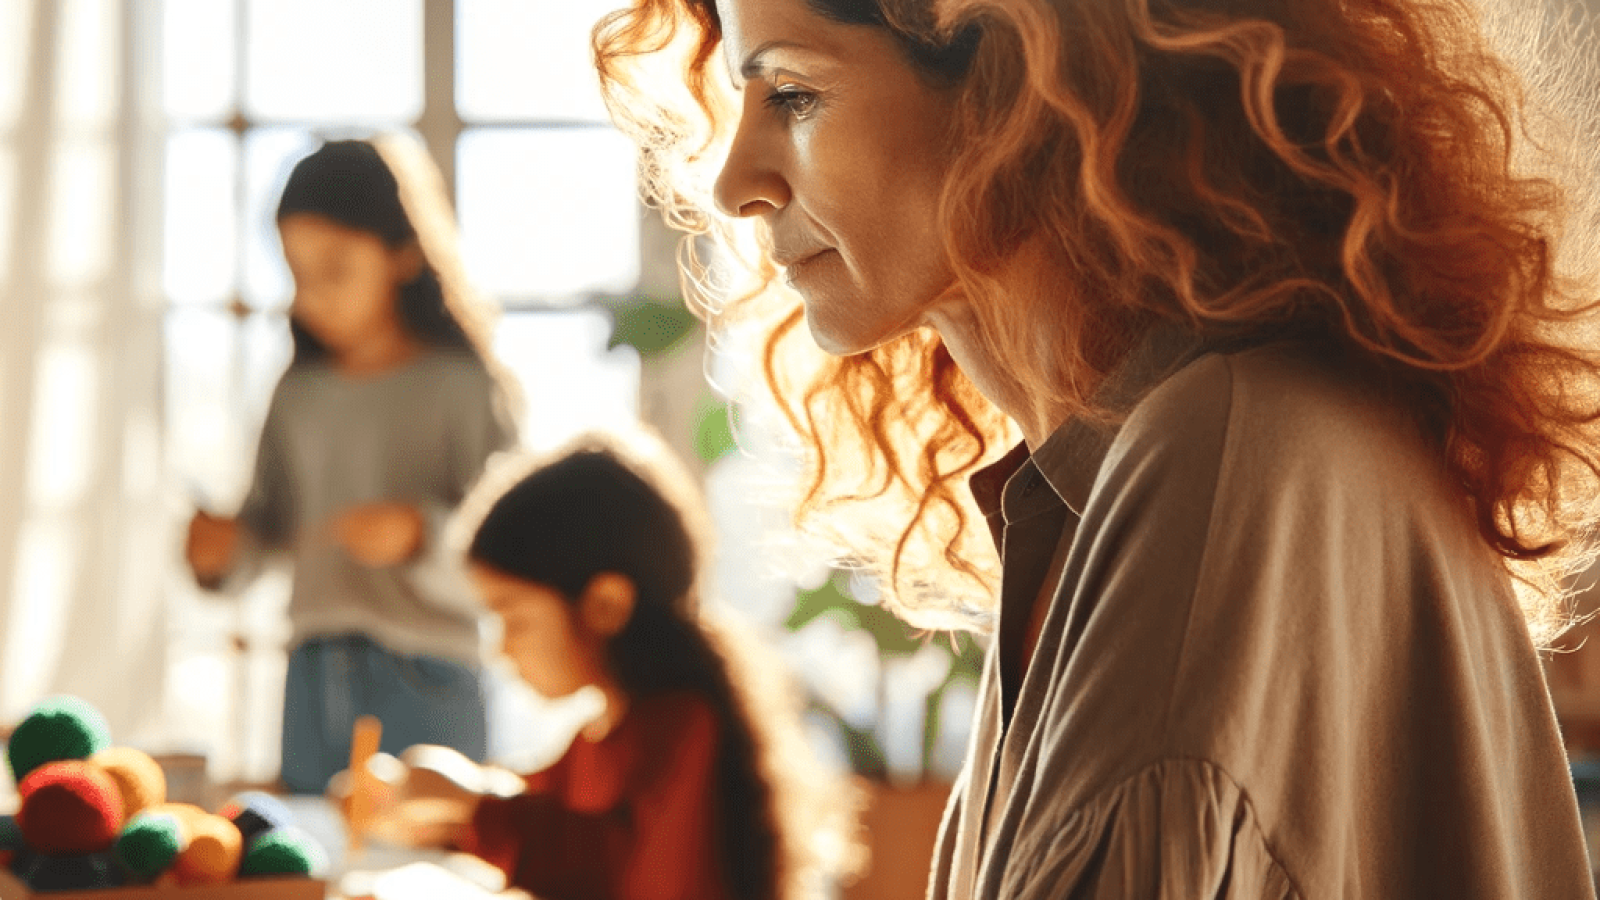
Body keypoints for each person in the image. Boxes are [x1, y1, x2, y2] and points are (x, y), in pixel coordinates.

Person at [592, 0, 1600, 895]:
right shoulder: (1176, 449)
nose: (733, 183)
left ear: (1018, 81)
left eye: (794, 93)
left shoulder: (1220, 458)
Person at [335, 430, 854, 900]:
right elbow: (542, 820)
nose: (501, 648)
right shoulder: (594, 741)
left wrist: (468, 803)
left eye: (513, 618)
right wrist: (426, 814)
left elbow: (611, 868)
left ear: (605, 604)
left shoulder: (682, 731)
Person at [183, 136, 519, 795]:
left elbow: (505, 562)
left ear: (402, 253)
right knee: (314, 859)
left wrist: (420, 535)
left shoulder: (462, 386)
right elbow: (268, 533)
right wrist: (219, 554)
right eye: (297, 274)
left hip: (430, 678)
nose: (313, 296)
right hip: (311, 676)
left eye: (334, 269)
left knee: (428, 870)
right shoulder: (296, 392)